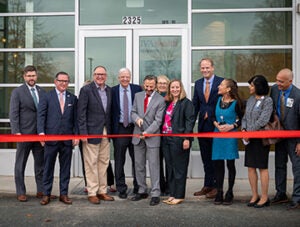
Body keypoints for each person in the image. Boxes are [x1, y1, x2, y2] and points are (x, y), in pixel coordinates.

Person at [37, 71, 79, 205]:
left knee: (65, 168)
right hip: (50, 138)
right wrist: (41, 133)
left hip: (67, 140)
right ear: (55, 81)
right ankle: (46, 194)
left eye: (66, 81)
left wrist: (76, 135)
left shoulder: (73, 98)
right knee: (48, 167)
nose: (63, 83)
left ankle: (64, 194)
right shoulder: (46, 96)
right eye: (61, 81)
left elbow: (76, 119)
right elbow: (41, 116)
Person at [77, 65, 114, 204]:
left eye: (103, 74)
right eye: (97, 74)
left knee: (104, 162)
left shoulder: (109, 90)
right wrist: (83, 133)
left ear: (106, 76)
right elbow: (81, 113)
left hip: (106, 132)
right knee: (91, 162)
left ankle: (102, 191)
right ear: (93, 75)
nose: (100, 76)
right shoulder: (86, 90)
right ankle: (92, 192)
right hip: (91, 131)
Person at [9, 65, 46, 202]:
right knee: (20, 165)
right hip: (24, 134)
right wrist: (16, 132)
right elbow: (13, 114)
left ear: (36, 76)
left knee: (40, 165)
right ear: (24, 77)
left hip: (39, 135)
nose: (31, 78)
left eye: (33, 75)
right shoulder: (17, 92)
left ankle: (41, 190)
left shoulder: (42, 91)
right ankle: (21, 192)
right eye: (29, 76)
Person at [130, 75, 165, 206]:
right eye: (147, 86)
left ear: (155, 85)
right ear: (143, 84)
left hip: (152, 137)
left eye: (151, 86)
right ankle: (142, 190)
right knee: (139, 165)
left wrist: (147, 132)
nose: (149, 88)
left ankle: (155, 193)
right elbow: (133, 111)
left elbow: (158, 121)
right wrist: (136, 119)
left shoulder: (160, 100)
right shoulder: (138, 96)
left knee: (154, 166)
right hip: (137, 136)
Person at [192, 58, 224, 198]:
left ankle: (218, 187)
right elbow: (195, 105)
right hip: (203, 127)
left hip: (217, 126)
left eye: (207, 67)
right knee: (205, 157)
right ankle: (208, 184)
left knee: (216, 157)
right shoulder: (198, 84)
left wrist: (211, 115)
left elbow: (224, 102)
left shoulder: (221, 82)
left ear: (213, 68)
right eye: (202, 68)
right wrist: (190, 125)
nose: (205, 70)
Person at [270, 68, 300, 210]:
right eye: (277, 80)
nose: (278, 83)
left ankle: (297, 198)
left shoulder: (298, 95)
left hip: (294, 138)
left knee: (297, 167)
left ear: (290, 81)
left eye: (281, 81)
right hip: (280, 134)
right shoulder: (275, 90)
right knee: (279, 164)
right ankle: (280, 194)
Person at [161, 79, 195, 205]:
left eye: (177, 87)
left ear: (181, 88)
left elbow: (189, 122)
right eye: (172, 87)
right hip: (166, 139)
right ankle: (172, 193)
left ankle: (179, 195)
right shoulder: (168, 103)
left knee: (179, 168)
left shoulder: (186, 103)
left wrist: (187, 138)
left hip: (179, 140)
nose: (175, 89)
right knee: (170, 167)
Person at [241, 75, 273, 208]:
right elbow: (245, 117)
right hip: (249, 139)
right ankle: (254, 195)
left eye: (252, 85)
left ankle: (265, 197)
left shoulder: (268, 101)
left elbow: (263, 120)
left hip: (260, 139)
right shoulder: (250, 100)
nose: (250, 87)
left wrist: (250, 132)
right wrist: (244, 130)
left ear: (258, 86)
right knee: (251, 167)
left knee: (262, 168)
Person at [212, 79, 244, 205]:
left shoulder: (237, 103)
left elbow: (242, 119)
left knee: (230, 164)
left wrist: (232, 126)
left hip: (230, 136)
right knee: (218, 165)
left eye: (221, 85)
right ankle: (219, 191)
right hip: (218, 134)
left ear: (228, 89)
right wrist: (217, 125)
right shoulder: (217, 99)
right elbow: (212, 116)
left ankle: (230, 192)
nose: (219, 86)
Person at [111, 68, 142, 199]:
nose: (125, 79)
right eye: (122, 77)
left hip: (135, 128)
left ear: (130, 77)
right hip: (120, 129)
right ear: (118, 78)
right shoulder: (112, 91)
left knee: (137, 159)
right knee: (119, 160)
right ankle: (121, 187)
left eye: (127, 76)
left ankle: (138, 186)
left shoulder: (137, 89)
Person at [157, 74, 170, 195]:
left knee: (169, 162)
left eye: (164, 83)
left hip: (169, 135)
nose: (162, 85)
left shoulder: (171, 99)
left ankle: (170, 187)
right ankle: (160, 186)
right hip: (156, 134)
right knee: (157, 162)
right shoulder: (153, 98)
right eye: (160, 83)